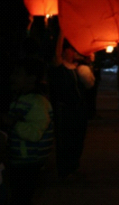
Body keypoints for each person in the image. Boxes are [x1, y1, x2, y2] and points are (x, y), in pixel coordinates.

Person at [2, 58, 54, 205]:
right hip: (20, 159)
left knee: (21, 197)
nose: (12, 77)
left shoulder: (37, 102)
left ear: (31, 78)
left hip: (28, 162)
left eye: (18, 73)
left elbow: (34, 133)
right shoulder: (21, 98)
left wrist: (12, 123)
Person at [48, 32, 94, 181]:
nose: (73, 52)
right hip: (65, 110)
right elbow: (56, 54)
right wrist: (62, 32)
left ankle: (74, 167)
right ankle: (65, 171)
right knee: (65, 141)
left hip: (79, 109)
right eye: (70, 49)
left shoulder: (77, 67)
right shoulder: (59, 67)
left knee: (78, 139)